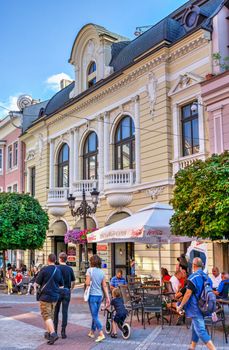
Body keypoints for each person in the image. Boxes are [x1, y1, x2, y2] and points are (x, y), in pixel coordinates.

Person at [177, 257, 216, 350]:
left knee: (201, 330)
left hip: (195, 308)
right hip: (204, 306)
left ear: (193, 265)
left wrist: (181, 306)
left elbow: (188, 294)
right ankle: (192, 347)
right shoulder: (207, 277)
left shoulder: (193, 277)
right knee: (195, 327)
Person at [36, 253, 64, 346]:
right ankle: (48, 334)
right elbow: (62, 285)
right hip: (55, 296)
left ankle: (53, 333)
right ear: (55, 260)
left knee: (46, 315)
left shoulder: (44, 270)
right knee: (51, 315)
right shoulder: (58, 270)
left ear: (48, 260)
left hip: (45, 296)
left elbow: (37, 283)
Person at [86, 254, 110, 343]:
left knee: (94, 315)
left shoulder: (89, 271)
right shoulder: (102, 272)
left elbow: (87, 283)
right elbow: (104, 285)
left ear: (91, 262)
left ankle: (100, 333)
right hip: (100, 296)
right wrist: (108, 297)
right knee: (95, 314)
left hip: (92, 296)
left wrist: (87, 280)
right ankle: (92, 332)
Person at [54, 252, 75, 339]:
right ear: (66, 259)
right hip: (66, 291)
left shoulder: (56, 268)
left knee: (56, 311)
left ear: (59, 259)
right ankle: (63, 331)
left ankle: (54, 331)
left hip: (57, 291)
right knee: (65, 312)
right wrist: (71, 289)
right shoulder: (69, 269)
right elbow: (73, 282)